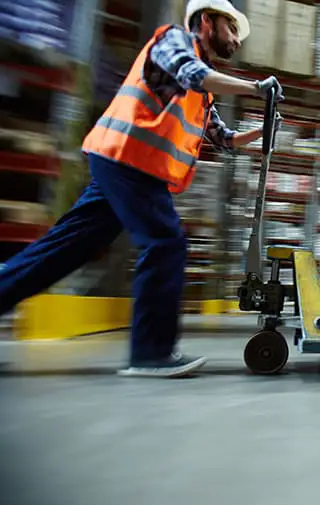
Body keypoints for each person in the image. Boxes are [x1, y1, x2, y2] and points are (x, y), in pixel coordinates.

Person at [0, 0, 284, 378]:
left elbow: (223, 138)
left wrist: (261, 132)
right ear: (206, 22)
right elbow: (191, 73)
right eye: (231, 28)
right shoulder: (173, 41)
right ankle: (150, 354)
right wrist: (255, 89)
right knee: (165, 242)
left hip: (126, 163)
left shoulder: (205, 88)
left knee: (64, 250)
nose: (236, 39)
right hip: (127, 159)